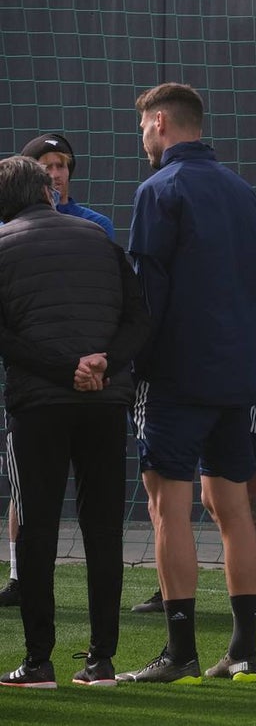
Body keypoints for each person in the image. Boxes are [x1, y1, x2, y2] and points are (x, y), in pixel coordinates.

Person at [117, 83, 256, 685]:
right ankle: (245, 650)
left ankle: (180, 652)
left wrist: (130, 363)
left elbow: (146, 292)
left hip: (176, 375)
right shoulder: (243, 191)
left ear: (158, 123)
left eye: (143, 130)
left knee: (166, 507)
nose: (142, 141)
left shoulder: (158, 190)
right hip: (236, 374)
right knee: (233, 507)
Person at [0, 155, 150, 688]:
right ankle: (102, 661)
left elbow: (6, 338)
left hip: (38, 406)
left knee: (36, 528)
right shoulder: (100, 239)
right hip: (105, 404)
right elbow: (139, 319)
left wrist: (65, 370)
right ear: (46, 192)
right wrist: (102, 364)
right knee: (104, 528)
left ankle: (38, 661)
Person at [0, 132, 117, 611]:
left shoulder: (96, 226)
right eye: (46, 165)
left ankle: (51, 650)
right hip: (41, 382)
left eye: (62, 164)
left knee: (96, 509)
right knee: (28, 490)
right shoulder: (8, 234)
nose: (56, 172)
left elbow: (118, 304)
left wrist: (96, 363)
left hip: (87, 384)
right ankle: (18, 574)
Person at [20, 132, 115, 239]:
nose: (55, 175)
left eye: (60, 166)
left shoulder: (97, 225)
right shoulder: (12, 229)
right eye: (46, 168)